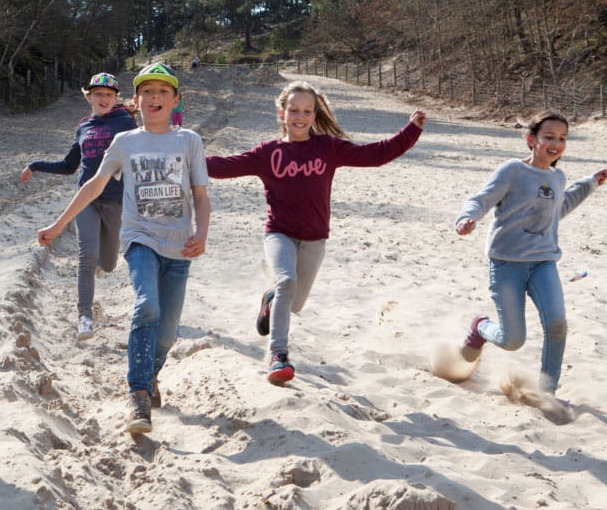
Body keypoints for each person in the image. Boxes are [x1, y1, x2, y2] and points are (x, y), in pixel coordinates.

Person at [206, 80, 425, 384]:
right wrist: (183, 156)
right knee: (287, 281)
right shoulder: (268, 152)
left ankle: (270, 299)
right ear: (282, 113)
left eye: (307, 111)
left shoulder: (328, 148)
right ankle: (278, 356)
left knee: (293, 304)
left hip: (315, 239)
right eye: (294, 110)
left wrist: (411, 131)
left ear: (314, 114)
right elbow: (223, 166)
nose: (300, 116)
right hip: (279, 234)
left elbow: (375, 155)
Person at [39, 63, 210, 435]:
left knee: (167, 333)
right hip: (139, 238)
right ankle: (138, 394)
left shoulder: (189, 141)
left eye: (162, 92)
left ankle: (151, 374)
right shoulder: (125, 142)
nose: (154, 97)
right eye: (147, 91)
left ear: (176, 100)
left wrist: (202, 233)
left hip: (179, 245)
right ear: (136, 100)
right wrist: (58, 224)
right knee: (147, 305)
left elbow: (200, 194)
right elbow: (93, 185)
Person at [454, 111, 607, 398]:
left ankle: (547, 393)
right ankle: (480, 327)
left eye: (562, 138)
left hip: (543, 262)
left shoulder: (558, 176)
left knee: (557, 325)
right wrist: (467, 218)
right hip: (506, 264)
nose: (556, 144)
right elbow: (481, 200)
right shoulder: (512, 171)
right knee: (512, 340)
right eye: (549, 137)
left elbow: (558, 209)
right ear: (531, 140)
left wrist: (589, 183)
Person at [20, 72, 136, 340]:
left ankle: (100, 267)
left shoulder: (125, 122)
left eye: (109, 95)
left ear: (116, 98)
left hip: (117, 200)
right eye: (98, 94)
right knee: (86, 257)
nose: (103, 99)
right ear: (89, 97)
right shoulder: (84, 126)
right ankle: (85, 316)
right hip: (87, 200)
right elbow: (69, 166)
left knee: (108, 264)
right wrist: (35, 166)